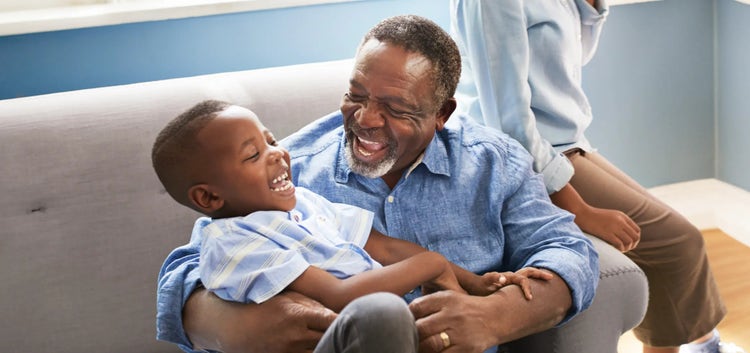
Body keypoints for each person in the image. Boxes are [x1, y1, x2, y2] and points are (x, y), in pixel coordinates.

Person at [156, 15, 604, 353]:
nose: (366, 119)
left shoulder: (494, 164)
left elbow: (568, 249)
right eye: (356, 95)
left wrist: (494, 315)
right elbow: (195, 262)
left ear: (442, 114)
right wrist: (226, 323)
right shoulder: (287, 174)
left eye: (395, 107)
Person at [449, 1, 743, 353]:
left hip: (568, 144)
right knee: (678, 243)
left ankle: (703, 341)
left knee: (677, 243)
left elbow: (575, 53)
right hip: (525, 156)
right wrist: (582, 210)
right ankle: (703, 343)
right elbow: (508, 122)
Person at [150, 98, 548, 314]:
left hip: (369, 316)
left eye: (271, 141)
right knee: (382, 320)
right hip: (338, 329)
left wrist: (473, 282)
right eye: (253, 155)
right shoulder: (237, 244)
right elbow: (338, 298)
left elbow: (386, 248)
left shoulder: (303, 204)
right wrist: (432, 266)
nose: (278, 154)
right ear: (209, 198)